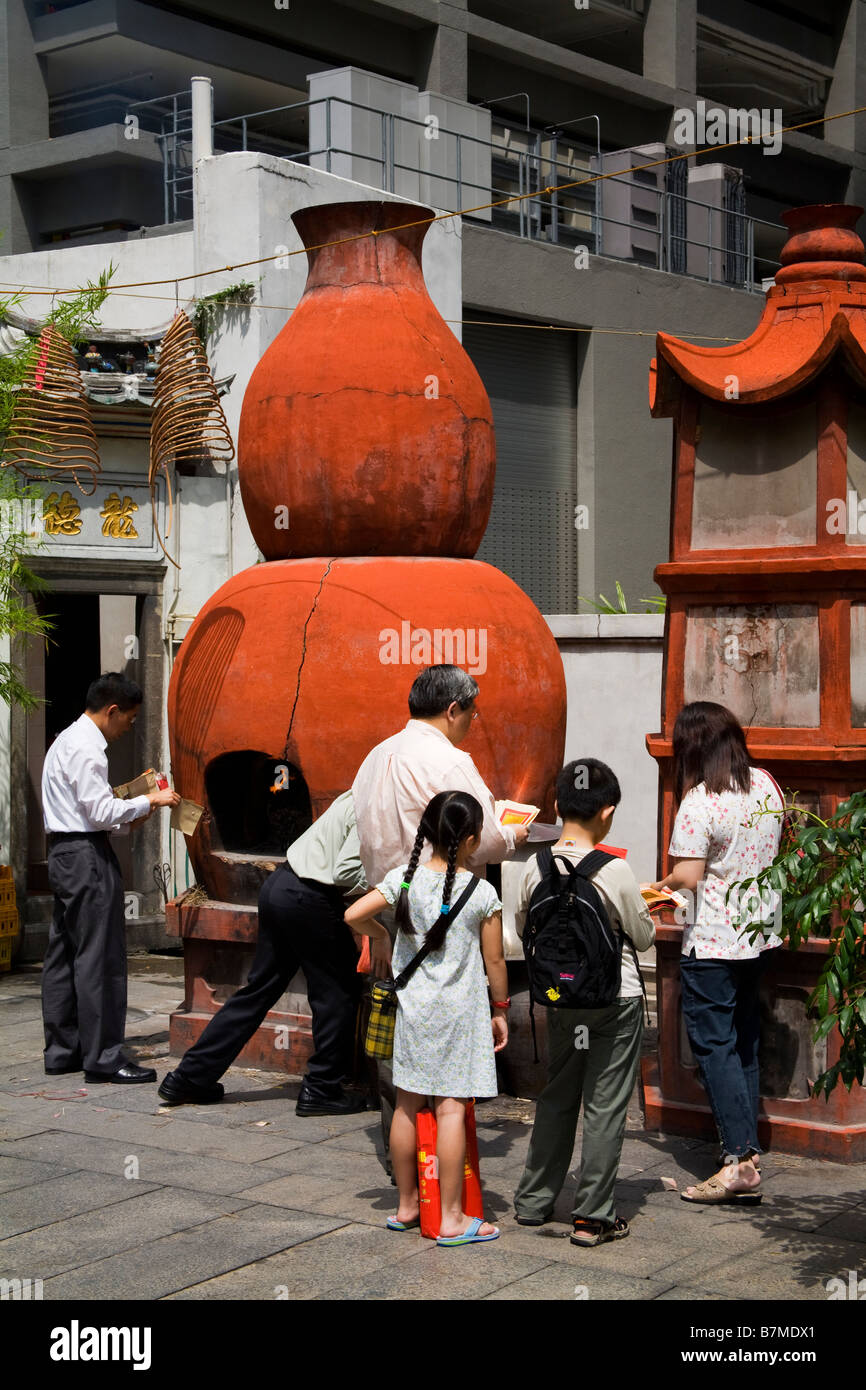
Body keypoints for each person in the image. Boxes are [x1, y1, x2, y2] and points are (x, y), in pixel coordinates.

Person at [351, 664, 529, 1163]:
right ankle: (445, 1163)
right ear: (453, 710)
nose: (473, 721)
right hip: (442, 902)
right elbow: (488, 838)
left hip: (387, 900)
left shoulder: (375, 755)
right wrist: (513, 833)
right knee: (447, 1032)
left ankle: (404, 1163)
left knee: (396, 1027)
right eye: (472, 713)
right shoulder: (447, 761)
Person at [346, 790, 508, 1245]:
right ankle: (453, 1218)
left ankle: (406, 1206)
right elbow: (495, 962)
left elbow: (352, 914)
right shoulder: (482, 893)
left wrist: (379, 935)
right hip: (459, 1015)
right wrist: (501, 1010)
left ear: (428, 834)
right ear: (472, 840)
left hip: (413, 1009)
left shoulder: (402, 878)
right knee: (452, 1107)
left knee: (406, 1104)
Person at [159, 791, 375, 1116]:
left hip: (281, 886)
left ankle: (189, 1077)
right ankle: (322, 1088)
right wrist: (392, 885)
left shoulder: (357, 791)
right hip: (310, 896)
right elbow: (344, 871)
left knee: (258, 991)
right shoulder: (378, 805)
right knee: (338, 992)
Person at [513, 758, 655, 1246]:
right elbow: (643, 937)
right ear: (608, 812)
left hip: (560, 999)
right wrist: (644, 905)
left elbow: (522, 928)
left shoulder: (535, 867)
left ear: (557, 805)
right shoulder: (615, 870)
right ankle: (592, 1215)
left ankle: (533, 1202)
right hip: (615, 1001)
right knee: (605, 1103)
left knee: (558, 1094)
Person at [651, 701, 783, 1205]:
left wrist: (651, 886)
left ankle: (739, 1161)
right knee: (743, 1041)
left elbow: (687, 877)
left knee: (714, 1046)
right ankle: (746, 1148)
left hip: (712, 939)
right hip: (760, 934)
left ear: (693, 748)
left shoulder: (700, 800)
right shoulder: (765, 784)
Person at [40, 672, 180, 1083]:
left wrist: (131, 816)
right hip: (85, 856)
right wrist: (147, 799)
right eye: (129, 720)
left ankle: (64, 1050)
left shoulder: (65, 740)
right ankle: (103, 1057)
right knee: (99, 957)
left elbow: (88, 814)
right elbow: (100, 813)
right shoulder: (88, 748)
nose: (128, 729)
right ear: (112, 710)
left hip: (66, 851)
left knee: (65, 953)